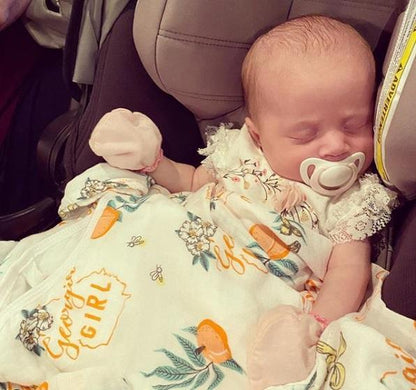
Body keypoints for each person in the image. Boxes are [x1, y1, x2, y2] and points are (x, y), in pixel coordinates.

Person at [0, 15, 408, 390]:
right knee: (140, 247)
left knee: (220, 324)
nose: (336, 145)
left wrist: (315, 323)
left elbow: (348, 272)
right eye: (305, 135)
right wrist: (153, 162)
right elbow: (192, 181)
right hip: (187, 237)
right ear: (259, 134)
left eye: (355, 124)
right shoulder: (240, 153)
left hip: (262, 279)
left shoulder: (355, 200)